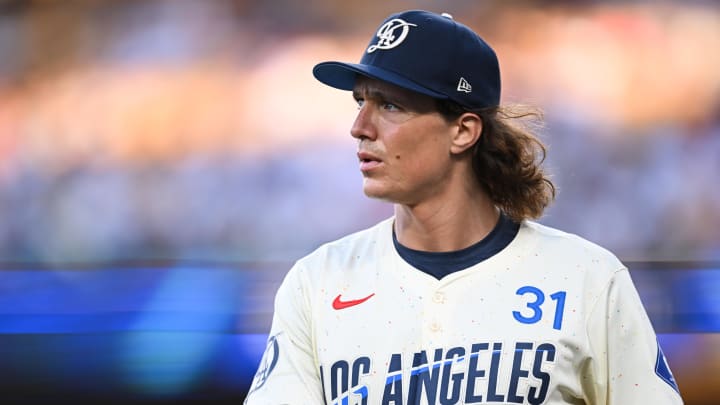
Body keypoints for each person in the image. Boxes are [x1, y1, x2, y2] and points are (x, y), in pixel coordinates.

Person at [244, 9, 683, 405]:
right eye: (361, 101)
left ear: (463, 131)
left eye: (391, 105)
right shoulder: (316, 283)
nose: (359, 127)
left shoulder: (587, 279)